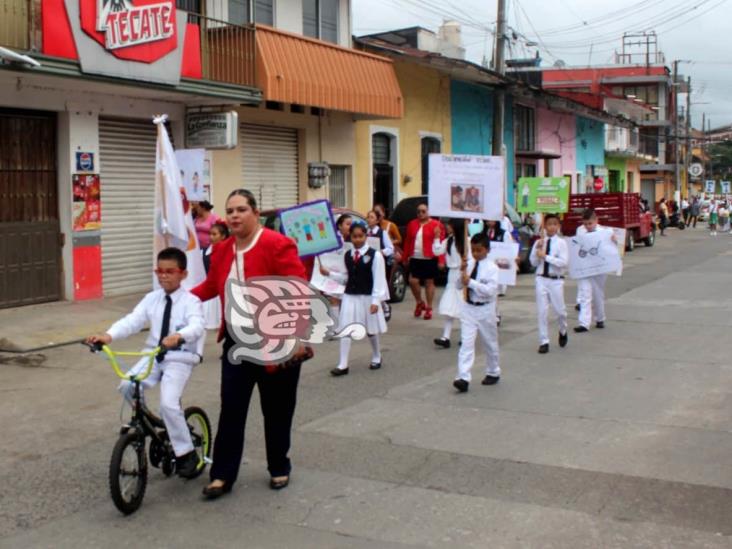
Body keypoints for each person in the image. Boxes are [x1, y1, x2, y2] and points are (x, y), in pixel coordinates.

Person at [191, 188, 308, 498]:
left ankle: (279, 465)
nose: (234, 216)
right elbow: (211, 285)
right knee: (231, 408)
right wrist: (178, 298)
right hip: (236, 342)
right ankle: (222, 475)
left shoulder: (277, 243)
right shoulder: (221, 249)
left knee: (277, 409)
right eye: (230, 211)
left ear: (256, 213)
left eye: (241, 209)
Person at [86, 247, 205, 478]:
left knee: (169, 404)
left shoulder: (191, 301)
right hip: (153, 354)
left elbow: (197, 325)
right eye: (159, 271)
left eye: (170, 271)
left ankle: (185, 452)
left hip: (179, 357)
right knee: (128, 385)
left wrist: (180, 336)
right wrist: (108, 336)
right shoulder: (152, 298)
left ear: (183, 274)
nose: (164, 276)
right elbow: (133, 320)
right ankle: (150, 422)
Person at [321, 223, 389, 376]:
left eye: (360, 236)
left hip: (367, 296)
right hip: (350, 296)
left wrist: (375, 301)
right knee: (346, 329)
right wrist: (329, 274)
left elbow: (378, 280)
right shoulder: (347, 255)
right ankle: (343, 364)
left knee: (371, 330)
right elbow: (346, 277)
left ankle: (377, 355)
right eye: (354, 237)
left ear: (366, 236)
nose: (357, 240)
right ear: (350, 237)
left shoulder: (375, 255)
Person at [452, 233, 500, 393]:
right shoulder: (469, 264)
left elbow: (490, 291)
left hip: (485, 308)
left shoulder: (492, 268)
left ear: (487, 250)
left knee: (489, 342)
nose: (476, 253)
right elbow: (458, 286)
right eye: (473, 250)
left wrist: (471, 282)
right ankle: (463, 377)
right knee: (466, 343)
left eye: (479, 250)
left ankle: (493, 370)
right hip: (469, 308)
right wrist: (462, 273)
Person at [529, 214, 568, 354]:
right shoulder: (540, 242)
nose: (551, 227)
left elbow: (563, 263)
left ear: (558, 226)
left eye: (554, 224)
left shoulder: (561, 243)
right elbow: (533, 262)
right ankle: (544, 341)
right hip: (541, 278)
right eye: (549, 224)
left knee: (560, 311)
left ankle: (563, 330)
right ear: (544, 226)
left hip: (555, 280)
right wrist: (536, 250)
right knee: (542, 311)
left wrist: (546, 256)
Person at [574, 208, 616, 333]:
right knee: (585, 294)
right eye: (585, 224)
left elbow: (613, 248)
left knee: (597, 294)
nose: (588, 226)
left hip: (599, 267)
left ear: (596, 220)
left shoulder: (606, 232)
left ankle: (600, 318)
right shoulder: (580, 231)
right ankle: (584, 323)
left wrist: (614, 240)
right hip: (584, 266)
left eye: (590, 223)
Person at [402, 203, 444, 320]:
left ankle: (429, 308)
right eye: (418, 211)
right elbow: (408, 241)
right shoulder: (412, 224)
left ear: (428, 212)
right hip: (415, 257)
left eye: (423, 211)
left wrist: (441, 260)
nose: (421, 214)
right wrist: (405, 257)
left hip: (430, 257)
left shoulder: (436, 225)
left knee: (429, 282)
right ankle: (420, 302)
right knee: (412, 281)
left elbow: (440, 243)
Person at [432, 219, 465, 349]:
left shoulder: (465, 241)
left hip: (462, 273)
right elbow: (437, 251)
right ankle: (446, 336)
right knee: (450, 306)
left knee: (462, 306)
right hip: (452, 274)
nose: (447, 228)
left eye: (450, 226)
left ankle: (465, 336)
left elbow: (470, 257)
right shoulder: (448, 240)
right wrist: (436, 237)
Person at [366, 210, 394, 321]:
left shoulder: (382, 233)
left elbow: (390, 248)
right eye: (368, 216)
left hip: (378, 262)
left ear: (377, 220)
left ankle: (384, 305)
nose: (369, 219)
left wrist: (382, 252)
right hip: (367, 262)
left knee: (378, 284)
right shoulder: (364, 232)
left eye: (372, 217)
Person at [203, 222, 229, 330]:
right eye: (210, 234)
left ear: (223, 236)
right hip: (212, 288)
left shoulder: (228, 251)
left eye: (214, 234)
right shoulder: (206, 251)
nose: (211, 237)